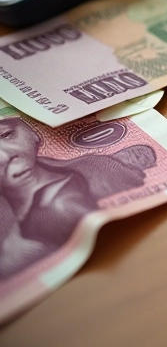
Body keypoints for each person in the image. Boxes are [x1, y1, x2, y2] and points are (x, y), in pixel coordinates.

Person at [0, 117, 156, 279]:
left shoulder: (101, 169)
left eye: (6, 135)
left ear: (33, 135)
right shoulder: (12, 248)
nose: (5, 156)